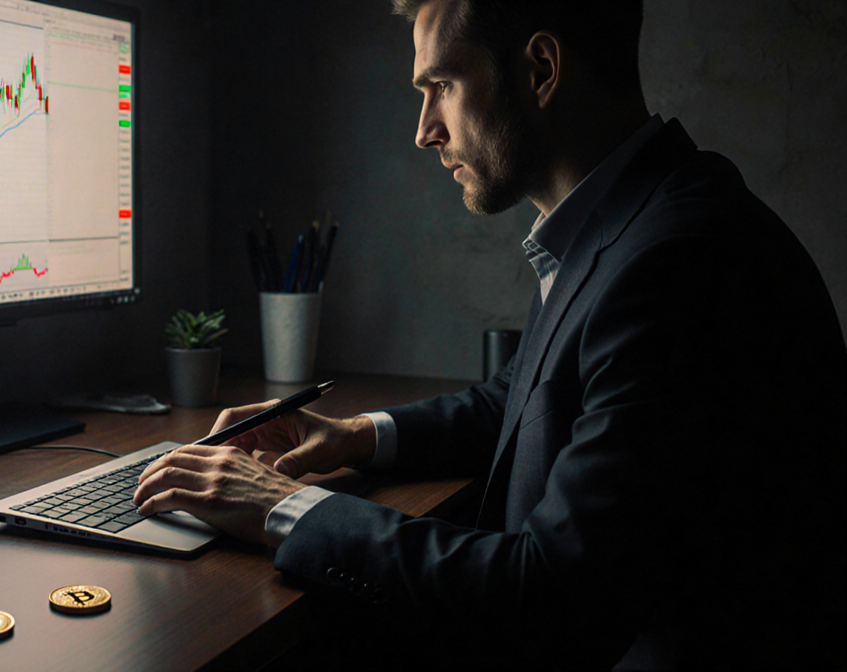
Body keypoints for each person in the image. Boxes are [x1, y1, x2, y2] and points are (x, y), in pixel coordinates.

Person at [134, 0, 847, 668]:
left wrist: (280, 506)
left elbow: (549, 596)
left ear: (540, 71)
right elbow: (526, 396)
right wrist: (353, 435)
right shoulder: (630, 223)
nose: (424, 130)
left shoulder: (675, 264)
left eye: (440, 84)